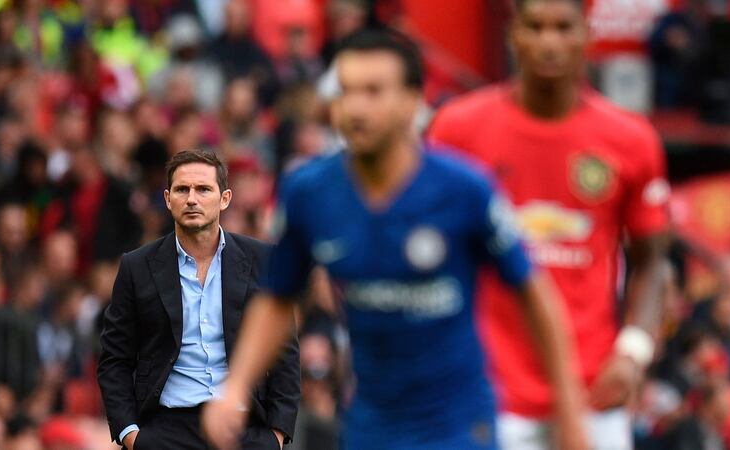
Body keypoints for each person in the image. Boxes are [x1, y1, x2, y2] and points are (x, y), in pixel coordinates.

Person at [202, 28, 587, 450]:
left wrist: (567, 407)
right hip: (371, 425)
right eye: (346, 91)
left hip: (458, 425)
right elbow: (278, 298)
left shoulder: (465, 190)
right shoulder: (310, 192)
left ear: (412, 100)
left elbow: (533, 294)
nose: (356, 107)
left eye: (373, 91)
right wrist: (236, 385)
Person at [427, 1, 671, 449]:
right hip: (485, 392)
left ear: (587, 33)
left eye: (563, 27)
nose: (549, 42)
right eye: (535, 27)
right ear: (513, 34)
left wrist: (633, 353)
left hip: (593, 393)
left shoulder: (631, 140)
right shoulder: (457, 129)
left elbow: (653, 263)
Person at [97, 150, 300, 450]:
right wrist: (131, 435)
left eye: (203, 189)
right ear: (167, 199)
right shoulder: (136, 266)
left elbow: (284, 352)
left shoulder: (263, 259)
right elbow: (114, 358)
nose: (192, 198)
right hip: (165, 429)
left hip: (245, 428)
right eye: (182, 189)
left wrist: (277, 435)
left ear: (225, 198)